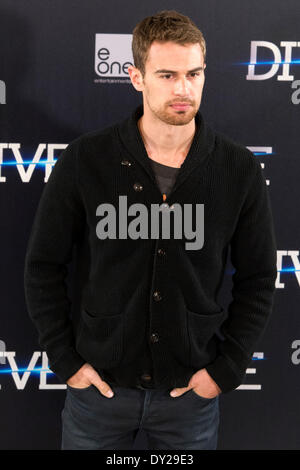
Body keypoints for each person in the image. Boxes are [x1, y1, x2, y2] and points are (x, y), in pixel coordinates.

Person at [24, 10, 277, 450]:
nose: (183, 89)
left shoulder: (237, 169)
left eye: (194, 73)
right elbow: (43, 266)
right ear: (136, 77)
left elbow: (258, 277)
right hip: (98, 394)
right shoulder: (88, 159)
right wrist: (65, 360)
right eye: (167, 74)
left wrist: (226, 369)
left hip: (190, 399)